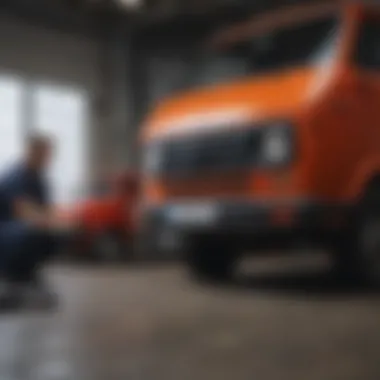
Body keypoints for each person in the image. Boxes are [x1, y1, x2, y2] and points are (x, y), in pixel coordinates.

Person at [0, 134, 71, 309]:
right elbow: (23, 210)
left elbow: (46, 209)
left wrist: (62, 222)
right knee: (30, 232)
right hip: (7, 231)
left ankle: (27, 274)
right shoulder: (15, 176)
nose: (47, 158)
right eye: (43, 153)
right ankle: (14, 276)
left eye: (48, 154)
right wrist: (51, 222)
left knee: (57, 236)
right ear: (31, 152)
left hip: (22, 228)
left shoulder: (39, 179)